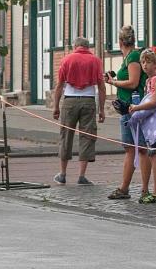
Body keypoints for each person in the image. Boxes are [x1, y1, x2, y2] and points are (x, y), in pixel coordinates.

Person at [51, 37, 106, 185]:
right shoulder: (95, 61)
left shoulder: (67, 59)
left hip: (69, 101)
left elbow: (59, 85)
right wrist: (101, 110)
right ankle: (82, 175)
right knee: (87, 136)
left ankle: (62, 174)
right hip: (89, 101)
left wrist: (56, 106)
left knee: (66, 135)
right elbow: (101, 87)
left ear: (75, 46)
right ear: (88, 47)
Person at [104, 25, 147, 199]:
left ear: (120, 41)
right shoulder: (128, 57)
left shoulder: (134, 57)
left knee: (141, 149)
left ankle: (143, 190)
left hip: (134, 108)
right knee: (130, 148)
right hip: (126, 109)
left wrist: (113, 83)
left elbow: (133, 82)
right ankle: (125, 188)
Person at [128, 48, 156, 203]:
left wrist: (137, 108)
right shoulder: (148, 81)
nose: (144, 65)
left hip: (155, 123)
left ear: (155, 64)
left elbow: (154, 102)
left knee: (154, 154)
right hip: (150, 123)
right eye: (142, 62)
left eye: (148, 62)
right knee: (152, 154)